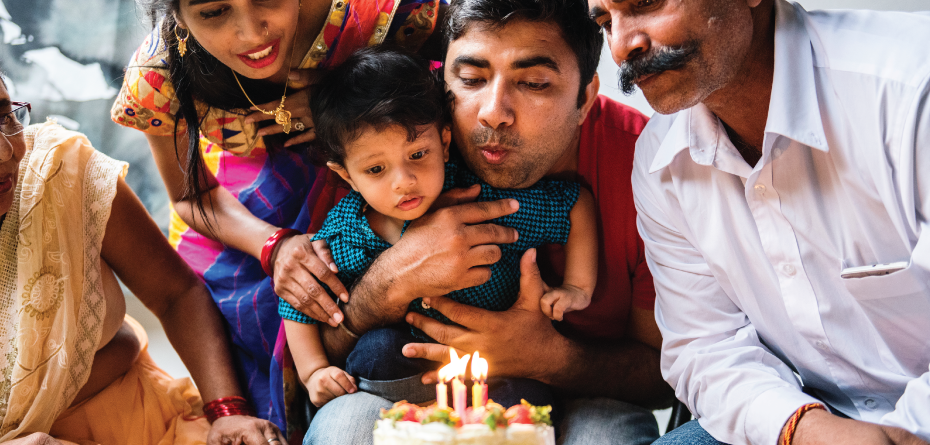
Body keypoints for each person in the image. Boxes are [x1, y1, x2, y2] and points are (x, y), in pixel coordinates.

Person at [287, 0, 676, 443]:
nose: (493, 111)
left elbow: (666, 377)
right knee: (344, 427)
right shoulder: (395, 138)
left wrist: (549, 358)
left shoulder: (650, 167)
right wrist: (392, 280)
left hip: (583, 392)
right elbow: (329, 346)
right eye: (470, 79)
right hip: (407, 382)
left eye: (532, 82)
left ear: (585, 96)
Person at [0, 28, 284, 445]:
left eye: (4, 117)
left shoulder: (59, 173)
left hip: (148, 424)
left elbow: (176, 295)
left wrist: (226, 411)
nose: (3, 150)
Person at [588, 0, 930, 443]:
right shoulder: (660, 158)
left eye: (646, 3)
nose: (620, 46)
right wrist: (804, 430)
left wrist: (903, 435)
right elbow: (704, 347)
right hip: (804, 415)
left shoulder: (909, 89)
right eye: (605, 22)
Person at [110, 0, 448, 435]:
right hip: (241, 216)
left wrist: (348, 106)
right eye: (214, 12)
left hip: (396, 183)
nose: (252, 34)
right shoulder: (159, 77)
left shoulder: (384, 12)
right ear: (176, 16)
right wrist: (275, 246)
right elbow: (191, 195)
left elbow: (466, 85)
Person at [281, 46, 597, 409]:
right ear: (345, 175)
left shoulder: (481, 201)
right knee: (376, 350)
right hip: (403, 376)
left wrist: (578, 285)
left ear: (444, 143)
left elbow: (575, 204)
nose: (404, 181)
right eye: (375, 170)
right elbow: (298, 304)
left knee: (531, 398)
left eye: (417, 155)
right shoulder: (348, 230)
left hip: (493, 373)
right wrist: (314, 371)